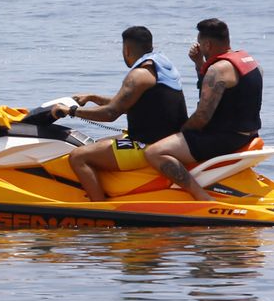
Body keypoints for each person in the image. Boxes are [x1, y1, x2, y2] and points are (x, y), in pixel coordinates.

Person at [50, 25, 188, 201]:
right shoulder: (161, 66)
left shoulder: (138, 75)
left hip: (148, 146)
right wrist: (93, 97)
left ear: (127, 49)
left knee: (78, 156)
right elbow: (126, 103)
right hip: (169, 140)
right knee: (96, 143)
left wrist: (71, 111)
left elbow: (110, 113)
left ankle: (98, 207)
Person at [143, 18, 263, 201]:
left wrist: (180, 131)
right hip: (249, 134)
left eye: (200, 43)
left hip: (226, 139)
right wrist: (200, 63)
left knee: (154, 152)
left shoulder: (217, 70)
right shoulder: (249, 61)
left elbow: (202, 117)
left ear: (207, 44)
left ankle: (201, 196)